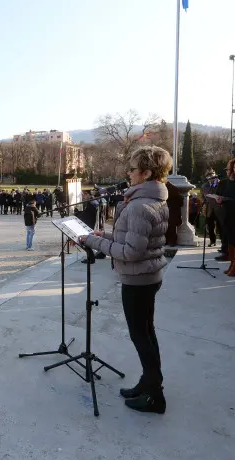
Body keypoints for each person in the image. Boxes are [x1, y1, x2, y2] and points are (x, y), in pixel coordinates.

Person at [78, 145, 171, 414]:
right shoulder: (152, 199)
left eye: (132, 169)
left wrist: (94, 241)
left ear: (146, 173)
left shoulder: (140, 206)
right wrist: (104, 236)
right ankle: (148, 381)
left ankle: (155, 395)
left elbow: (131, 252)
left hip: (139, 279)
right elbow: (134, 240)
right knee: (146, 332)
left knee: (140, 335)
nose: (128, 173)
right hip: (148, 275)